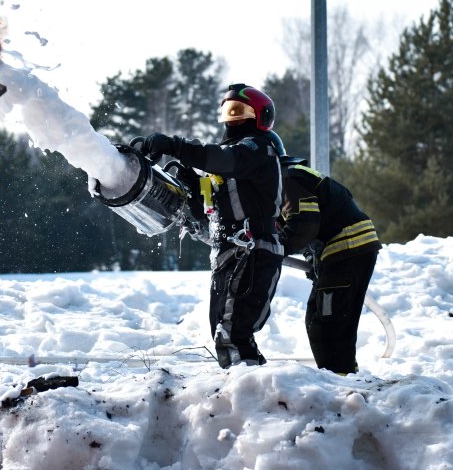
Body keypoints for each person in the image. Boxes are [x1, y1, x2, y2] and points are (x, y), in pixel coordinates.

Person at [138, 84, 284, 369]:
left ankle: (251, 399)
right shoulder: (226, 163)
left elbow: (225, 160)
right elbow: (207, 214)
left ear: (261, 117)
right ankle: (248, 391)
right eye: (229, 111)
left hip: (254, 249)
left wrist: (173, 146)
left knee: (233, 333)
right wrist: (189, 184)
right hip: (228, 253)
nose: (234, 117)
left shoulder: (258, 149)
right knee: (222, 330)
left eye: (241, 111)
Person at [278, 160, 380, 374]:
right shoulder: (292, 176)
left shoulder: (286, 179)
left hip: (346, 247)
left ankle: (341, 384)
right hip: (345, 250)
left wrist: (274, 247)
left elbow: (303, 224)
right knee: (324, 320)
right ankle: (345, 377)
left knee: (328, 326)